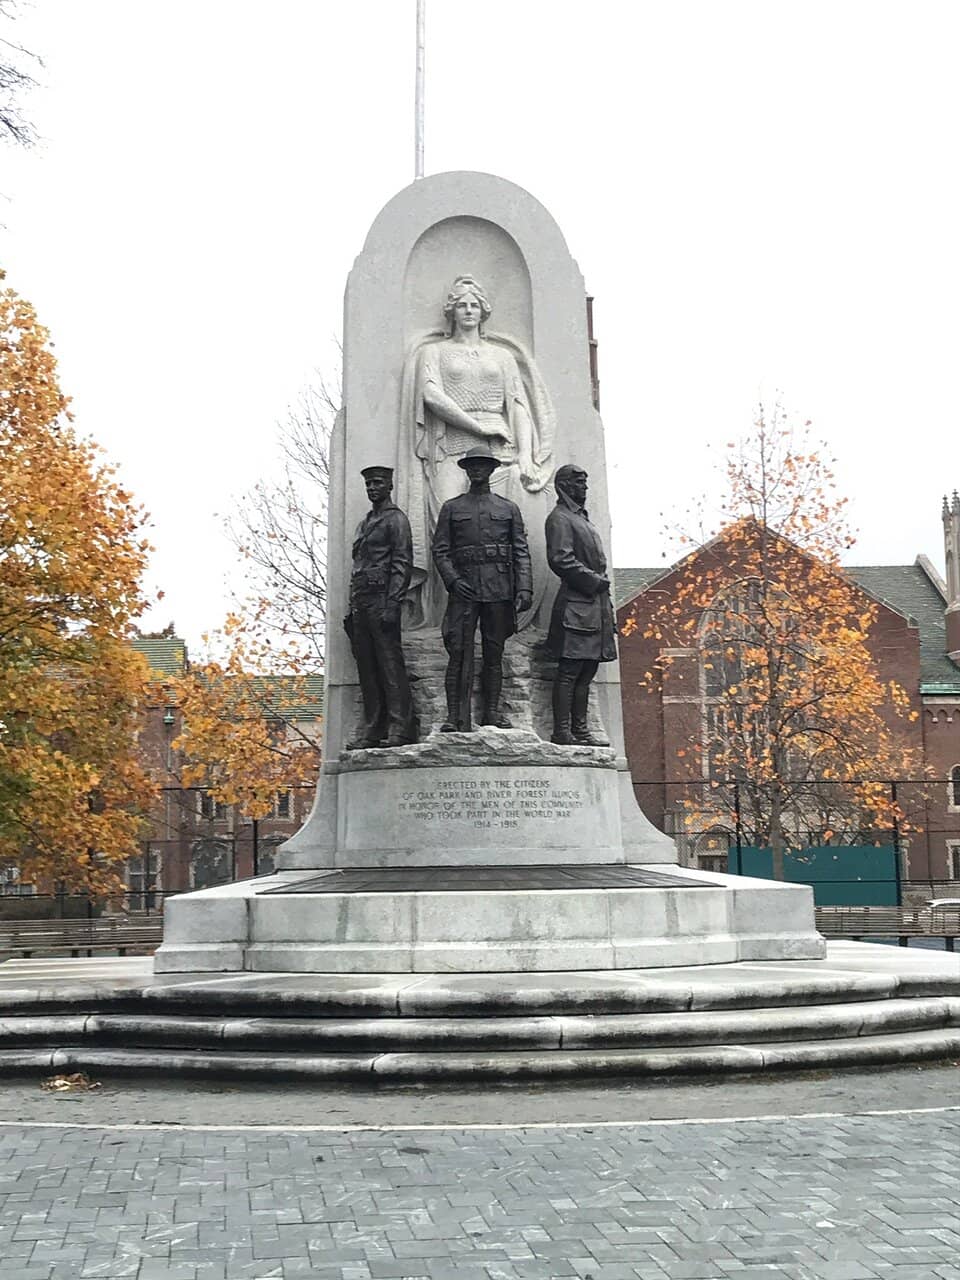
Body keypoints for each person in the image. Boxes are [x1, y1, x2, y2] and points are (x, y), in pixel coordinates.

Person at [396, 274, 555, 627]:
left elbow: (517, 407)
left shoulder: (502, 356)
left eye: (474, 305)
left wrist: (526, 456)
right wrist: (479, 425)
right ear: (451, 311)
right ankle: (446, 619)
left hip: (502, 450)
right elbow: (431, 396)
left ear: (483, 311)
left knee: (512, 525)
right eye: (461, 305)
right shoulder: (433, 353)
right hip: (452, 448)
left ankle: (505, 614)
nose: (468, 310)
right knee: (450, 530)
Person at [431, 446, 532, 732]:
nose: (477, 470)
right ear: (466, 469)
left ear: (491, 469)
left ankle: (491, 713)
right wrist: (452, 580)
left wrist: (525, 588)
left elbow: (521, 551)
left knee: (493, 653)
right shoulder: (452, 508)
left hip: (499, 588)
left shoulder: (507, 508)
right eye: (472, 466)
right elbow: (440, 550)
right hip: (464, 589)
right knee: (458, 652)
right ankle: (455, 717)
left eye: (482, 465)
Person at [343, 465, 416, 749]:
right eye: (369, 484)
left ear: (389, 486)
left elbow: (402, 563)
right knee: (367, 669)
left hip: (382, 599)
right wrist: (352, 607)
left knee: (389, 666)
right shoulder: (365, 522)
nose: (372, 488)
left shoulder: (395, 520)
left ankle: (402, 728)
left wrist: (393, 602)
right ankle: (374, 727)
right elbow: (357, 567)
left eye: (377, 483)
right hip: (361, 601)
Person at [545, 464, 616, 746]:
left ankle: (581, 729)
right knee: (570, 672)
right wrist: (593, 581)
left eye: (585, 484)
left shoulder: (582, 518)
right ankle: (562, 731)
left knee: (587, 672)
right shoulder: (560, 518)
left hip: (594, 607)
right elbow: (560, 559)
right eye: (579, 484)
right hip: (576, 606)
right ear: (564, 485)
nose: (584, 489)